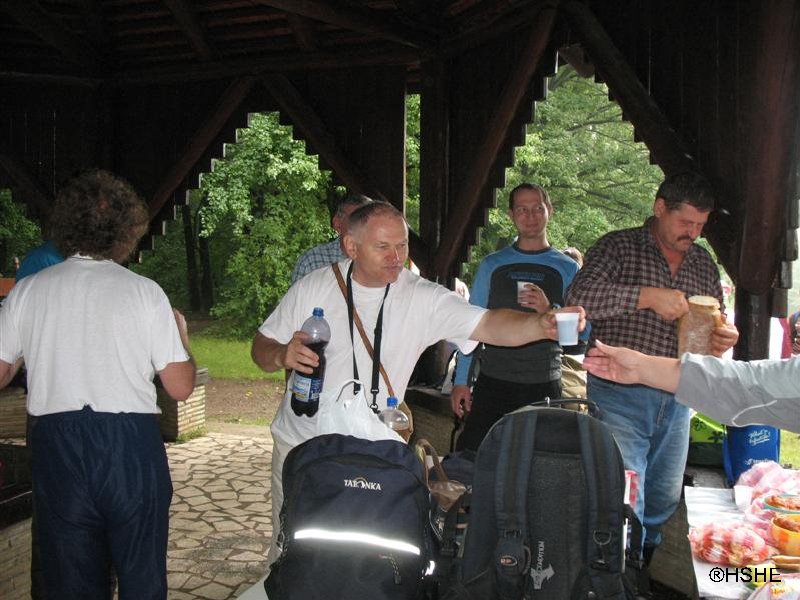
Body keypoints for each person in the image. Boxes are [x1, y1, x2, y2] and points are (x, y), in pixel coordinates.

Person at [250, 200, 585, 565]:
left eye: (402, 245)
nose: (396, 257)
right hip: (302, 444)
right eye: (383, 246)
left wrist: (539, 325)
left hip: (375, 449)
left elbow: (488, 324)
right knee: (291, 553)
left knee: (363, 558)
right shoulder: (314, 287)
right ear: (351, 246)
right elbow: (261, 347)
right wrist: (281, 355)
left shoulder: (421, 296)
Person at [0, 169, 196, 600]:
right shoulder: (145, 292)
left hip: (57, 444)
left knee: (69, 582)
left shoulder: (28, 291)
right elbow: (180, 387)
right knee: (141, 575)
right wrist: (182, 340)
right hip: (130, 445)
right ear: (127, 230)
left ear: (66, 224)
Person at [565, 172, 739, 560]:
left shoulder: (702, 263)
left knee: (662, 495)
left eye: (701, 225)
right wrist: (646, 296)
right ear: (660, 208)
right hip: (617, 394)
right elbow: (578, 295)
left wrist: (723, 336)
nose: (693, 233)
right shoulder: (618, 246)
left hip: (679, 395)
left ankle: (641, 565)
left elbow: (718, 319)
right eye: (686, 222)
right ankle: (614, 572)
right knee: (623, 494)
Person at [449, 183, 582, 451]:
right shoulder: (492, 265)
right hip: (493, 380)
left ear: (549, 210)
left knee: (537, 462)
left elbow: (578, 338)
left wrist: (549, 310)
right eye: (522, 209)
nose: (530, 216)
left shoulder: (568, 268)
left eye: (537, 208)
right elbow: (470, 326)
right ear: (511, 214)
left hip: (543, 382)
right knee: (473, 456)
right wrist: (461, 381)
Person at [583, 341, 800, 433]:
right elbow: (747, 384)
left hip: (675, 405)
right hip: (622, 400)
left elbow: (748, 386)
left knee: (665, 494)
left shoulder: (704, 270)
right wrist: (641, 367)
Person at [290, 193, 372, 284]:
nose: (365, 227)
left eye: (371, 222)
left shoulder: (381, 260)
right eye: (357, 220)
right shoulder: (311, 262)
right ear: (337, 224)